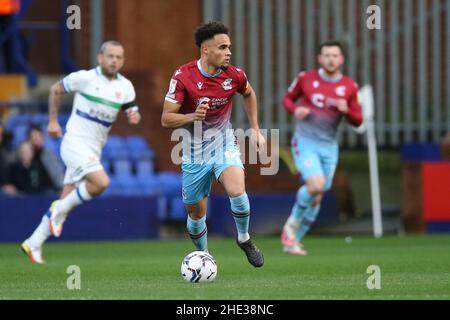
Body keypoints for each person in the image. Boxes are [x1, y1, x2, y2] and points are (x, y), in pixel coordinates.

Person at [22, 41, 141, 264]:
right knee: (100, 182)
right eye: (110, 56)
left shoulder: (125, 86)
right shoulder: (85, 78)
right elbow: (55, 88)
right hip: (74, 144)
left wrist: (134, 116)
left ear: (122, 61)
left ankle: (33, 243)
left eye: (118, 57)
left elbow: (132, 109)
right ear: (100, 57)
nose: (114, 60)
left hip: (94, 150)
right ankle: (59, 210)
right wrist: (53, 122)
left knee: (65, 201)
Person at [161, 21, 265, 267]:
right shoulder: (183, 76)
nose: (229, 52)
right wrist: (191, 117)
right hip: (193, 153)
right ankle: (204, 255)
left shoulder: (235, 75)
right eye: (223, 47)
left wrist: (256, 129)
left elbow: (249, 93)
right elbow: (166, 119)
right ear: (205, 50)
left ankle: (244, 238)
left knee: (237, 190)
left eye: (229, 47)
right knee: (196, 214)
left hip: (223, 144)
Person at [280, 41, 363, 255]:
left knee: (317, 195)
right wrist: (296, 109)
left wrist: (347, 111)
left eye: (335, 55)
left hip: (329, 147)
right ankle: (289, 227)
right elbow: (287, 99)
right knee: (316, 185)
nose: (331, 59)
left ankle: (293, 242)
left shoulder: (349, 86)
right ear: (320, 58)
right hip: (305, 142)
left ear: (341, 59)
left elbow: (358, 120)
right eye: (326, 55)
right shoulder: (305, 78)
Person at [27, 125, 64, 193]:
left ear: (42, 138)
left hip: (48, 191)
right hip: (28, 191)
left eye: (38, 136)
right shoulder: (23, 155)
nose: (36, 140)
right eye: (33, 137)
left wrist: (61, 188)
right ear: (28, 139)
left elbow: (57, 175)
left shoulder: (48, 155)